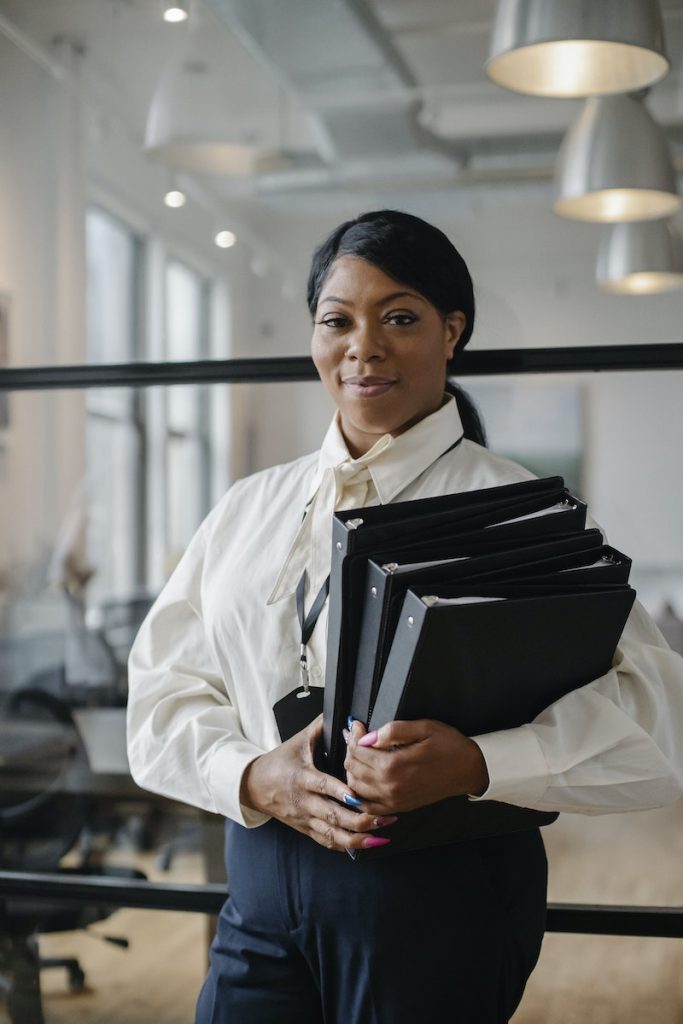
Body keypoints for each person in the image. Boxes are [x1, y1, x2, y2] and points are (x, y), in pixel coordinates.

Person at [126, 209, 683, 1024]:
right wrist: (247, 775)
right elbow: (160, 690)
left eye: (398, 317)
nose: (363, 347)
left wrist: (479, 762)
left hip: (438, 902)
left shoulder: (518, 512)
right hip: (259, 883)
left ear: (451, 331)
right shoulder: (248, 507)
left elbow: (654, 723)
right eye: (336, 320)